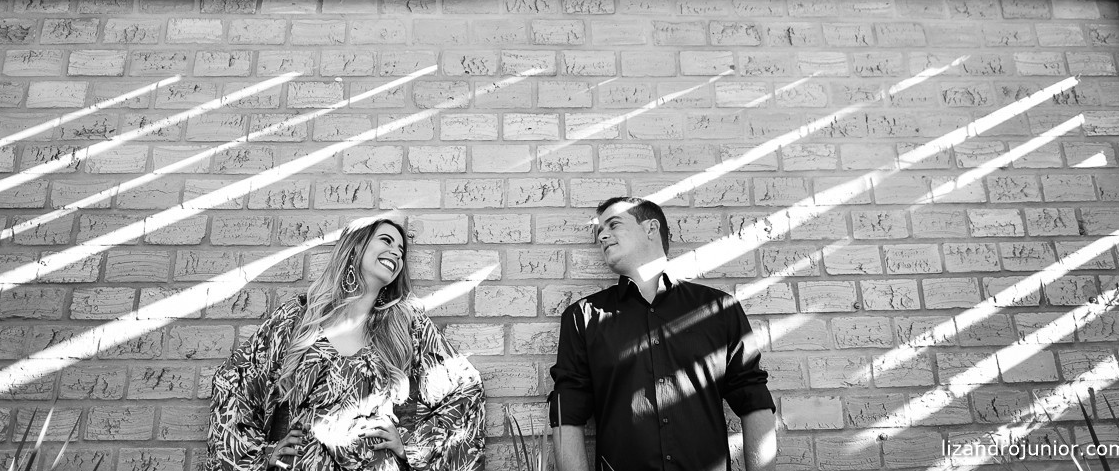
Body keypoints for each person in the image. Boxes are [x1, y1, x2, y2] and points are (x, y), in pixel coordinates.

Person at [206, 216, 486, 471]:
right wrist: (258, 454)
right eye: (386, 241)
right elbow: (234, 381)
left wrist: (412, 446)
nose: (397, 254)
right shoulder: (299, 318)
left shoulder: (405, 324)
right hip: (305, 463)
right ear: (355, 247)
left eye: (401, 251)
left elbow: (466, 388)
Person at [549, 196, 776, 471]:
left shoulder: (720, 309)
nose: (603, 235)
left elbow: (754, 399)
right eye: (600, 231)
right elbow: (567, 415)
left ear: (651, 228)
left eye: (613, 224)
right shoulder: (582, 318)